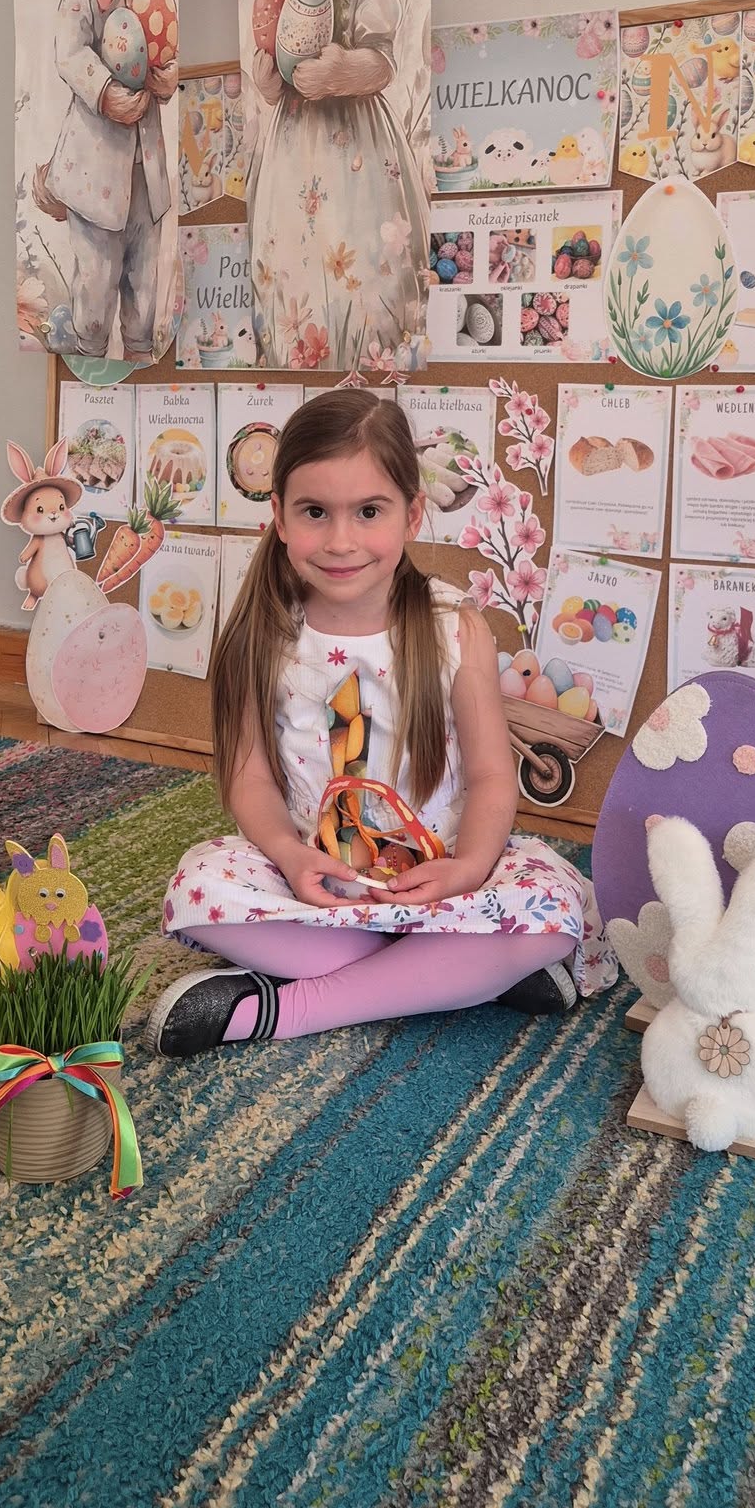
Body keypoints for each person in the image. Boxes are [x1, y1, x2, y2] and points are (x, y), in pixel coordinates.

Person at [148, 390, 616, 1056]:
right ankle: (455, 974)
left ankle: (290, 1008)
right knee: (196, 888)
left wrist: (469, 869)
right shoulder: (265, 633)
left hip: (442, 881)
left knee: (555, 914)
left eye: (369, 511)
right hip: (317, 886)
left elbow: (490, 776)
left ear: (412, 514)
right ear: (279, 515)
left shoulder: (454, 630)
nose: (341, 541)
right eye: (314, 512)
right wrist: (290, 855)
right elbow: (249, 777)